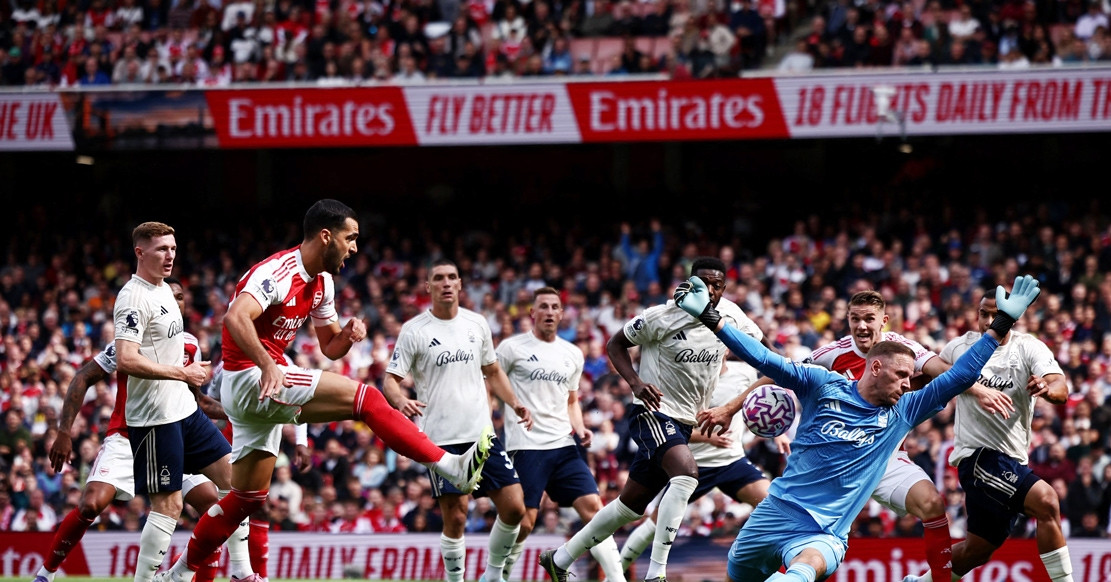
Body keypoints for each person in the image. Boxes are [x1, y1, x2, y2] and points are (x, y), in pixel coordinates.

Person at [155, 200, 494, 582]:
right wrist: (268, 364)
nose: (354, 247)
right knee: (365, 398)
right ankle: (448, 465)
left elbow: (329, 346)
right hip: (250, 378)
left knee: (244, 499)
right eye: (350, 238)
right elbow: (235, 318)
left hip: (262, 383)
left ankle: (177, 574)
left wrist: (347, 337)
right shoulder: (278, 272)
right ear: (326, 236)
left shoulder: (323, 283)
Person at [672, 274, 1041, 582]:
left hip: (826, 532)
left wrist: (1000, 326)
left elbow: (958, 376)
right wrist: (709, 317)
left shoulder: (905, 410)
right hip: (774, 513)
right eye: (901, 377)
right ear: (876, 369)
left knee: (809, 565)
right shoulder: (822, 382)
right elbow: (763, 357)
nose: (907, 385)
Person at [745, 290, 1014, 581]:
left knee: (933, 505)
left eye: (868, 319)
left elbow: (945, 373)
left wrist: (977, 390)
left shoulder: (902, 350)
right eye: (855, 319)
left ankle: (938, 579)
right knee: (811, 531)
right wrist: (732, 406)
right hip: (840, 460)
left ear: (883, 321)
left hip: (886, 457)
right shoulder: (829, 354)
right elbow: (780, 370)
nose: (861, 326)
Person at [540, 256, 762, 582]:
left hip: (685, 422)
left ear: (723, 289)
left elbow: (761, 350)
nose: (709, 290)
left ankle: (559, 559)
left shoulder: (729, 316)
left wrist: (734, 403)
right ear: (691, 283)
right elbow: (615, 344)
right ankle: (656, 573)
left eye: (717, 285)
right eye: (702, 283)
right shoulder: (662, 315)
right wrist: (635, 383)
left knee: (629, 507)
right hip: (652, 412)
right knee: (686, 474)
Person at [32, 277, 248, 582]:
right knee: (92, 503)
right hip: (127, 434)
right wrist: (64, 431)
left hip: (177, 431)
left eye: (180, 297)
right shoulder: (129, 342)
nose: (175, 302)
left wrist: (238, 414)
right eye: (169, 296)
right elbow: (83, 377)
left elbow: (196, 400)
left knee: (213, 506)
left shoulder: (190, 345)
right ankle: (45, 574)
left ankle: (183, 574)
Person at [903, 290, 1074, 582]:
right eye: (984, 313)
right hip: (977, 457)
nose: (989, 320)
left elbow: (1060, 386)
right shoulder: (960, 347)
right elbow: (927, 376)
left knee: (977, 551)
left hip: (1012, 461)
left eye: (996, 314)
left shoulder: (1028, 348)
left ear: (1012, 316)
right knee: (1046, 501)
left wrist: (1046, 388)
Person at [383, 259, 534, 582]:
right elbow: (390, 380)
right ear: (428, 286)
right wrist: (400, 401)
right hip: (441, 439)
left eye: (452, 277)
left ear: (461, 284)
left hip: (482, 435)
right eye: (438, 278)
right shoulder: (414, 331)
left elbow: (492, 371)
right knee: (456, 517)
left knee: (515, 509)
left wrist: (516, 402)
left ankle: (492, 574)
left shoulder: (477, 323)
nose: (446, 283)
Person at [112, 222, 244, 582]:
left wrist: (190, 376)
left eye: (172, 248)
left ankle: (242, 573)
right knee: (168, 506)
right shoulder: (133, 297)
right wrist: (182, 374)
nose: (170, 255)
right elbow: (125, 359)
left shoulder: (165, 294)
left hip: (186, 411)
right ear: (140, 252)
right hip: (155, 417)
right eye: (161, 249)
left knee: (239, 483)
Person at [495, 287, 624, 582]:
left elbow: (571, 401)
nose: (550, 312)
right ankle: (499, 575)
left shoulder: (572, 354)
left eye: (555, 307)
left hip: (564, 445)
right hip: (526, 446)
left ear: (562, 314)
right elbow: (492, 382)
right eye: (543, 306)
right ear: (532, 313)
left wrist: (580, 429)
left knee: (595, 510)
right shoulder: (511, 348)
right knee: (525, 522)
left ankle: (618, 580)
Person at [616, 353, 772, 576]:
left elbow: (769, 388)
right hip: (693, 467)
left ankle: (756, 568)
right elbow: (669, 430)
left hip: (732, 461)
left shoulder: (745, 372)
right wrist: (707, 438)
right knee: (654, 524)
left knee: (772, 503)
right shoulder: (689, 379)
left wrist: (775, 431)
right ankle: (616, 573)